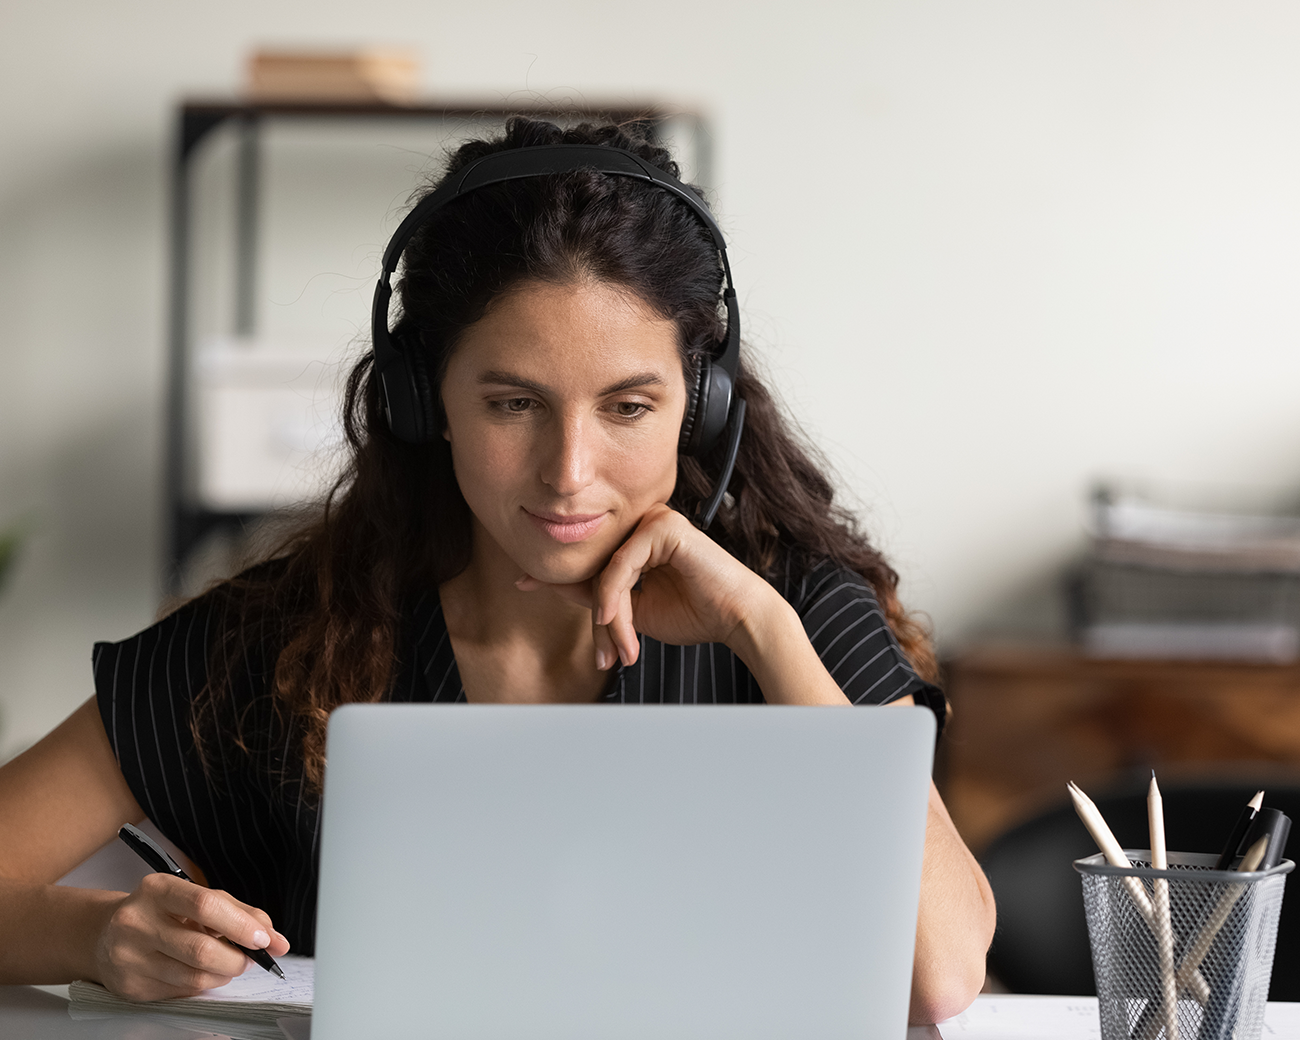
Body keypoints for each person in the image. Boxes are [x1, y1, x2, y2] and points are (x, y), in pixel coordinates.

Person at [0, 117, 994, 1024]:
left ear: (703, 407)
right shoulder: (284, 635)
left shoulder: (791, 608)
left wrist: (762, 630)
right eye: (513, 404)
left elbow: (939, 973)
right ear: (422, 399)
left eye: (628, 407)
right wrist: (93, 932)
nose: (568, 472)